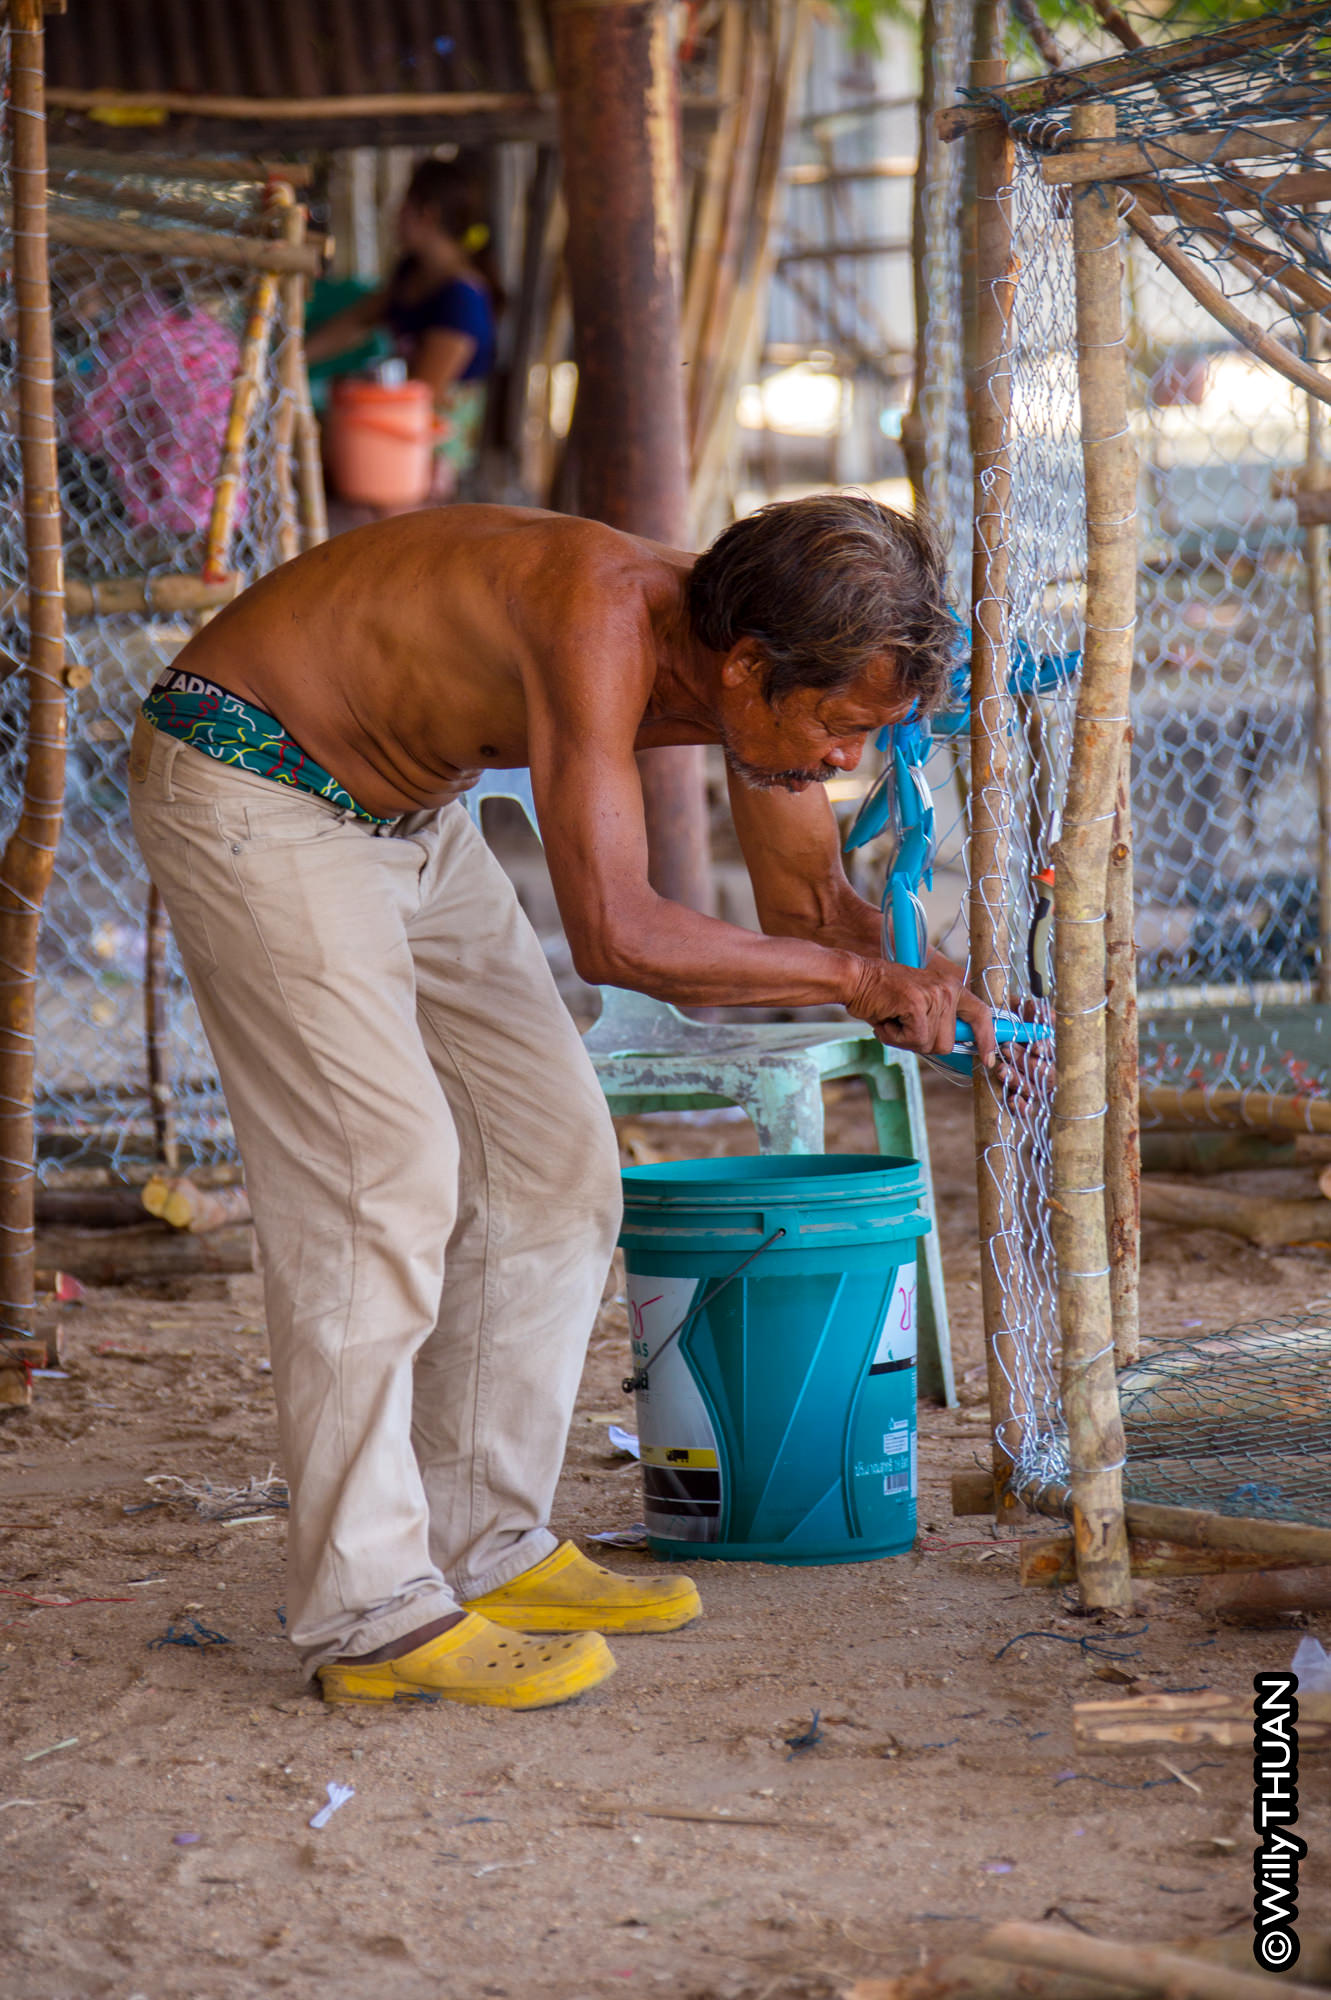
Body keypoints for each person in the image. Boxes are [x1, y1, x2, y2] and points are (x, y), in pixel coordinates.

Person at [128, 495, 995, 1712]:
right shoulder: (597, 610)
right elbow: (616, 933)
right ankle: (369, 1610)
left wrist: (921, 972)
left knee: (549, 1162)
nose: (842, 761)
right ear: (747, 668)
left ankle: (483, 1542)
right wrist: (863, 978)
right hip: (256, 780)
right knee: (382, 1177)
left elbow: (807, 913)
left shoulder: (764, 662)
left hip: (405, 815)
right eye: (838, 727)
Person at [307, 157, 499, 500]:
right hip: (395, 433)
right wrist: (293, 356)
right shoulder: (411, 274)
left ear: (427, 214)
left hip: (429, 451)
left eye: (403, 204)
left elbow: (423, 393)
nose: (396, 215)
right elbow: (357, 322)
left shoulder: (462, 299)